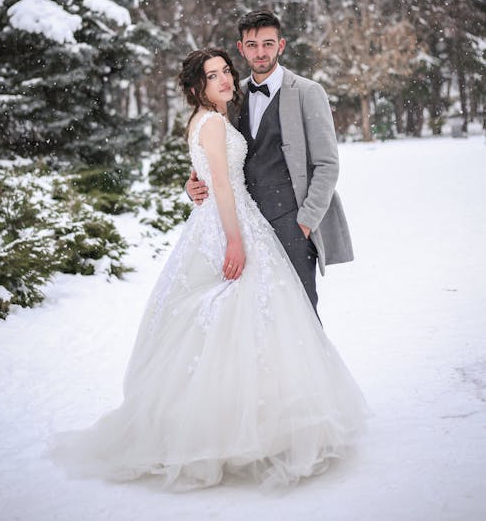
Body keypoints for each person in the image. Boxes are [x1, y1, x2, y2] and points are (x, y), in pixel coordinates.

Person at [48, 48, 367, 491]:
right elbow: (220, 181)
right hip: (230, 224)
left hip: (221, 220)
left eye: (225, 73)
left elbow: (209, 171)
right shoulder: (216, 122)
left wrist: (193, 184)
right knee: (244, 319)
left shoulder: (205, 119)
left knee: (230, 323)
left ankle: (233, 420)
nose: (224, 81)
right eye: (212, 75)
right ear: (197, 86)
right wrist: (235, 240)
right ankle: (247, 426)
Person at [187, 10, 353, 315]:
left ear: (281, 45)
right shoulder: (234, 98)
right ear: (241, 48)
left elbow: (327, 164)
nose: (260, 52)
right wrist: (193, 184)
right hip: (248, 224)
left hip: (292, 220)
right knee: (256, 317)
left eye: (267, 43)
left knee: (299, 313)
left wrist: (305, 221)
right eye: (252, 45)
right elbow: (218, 156)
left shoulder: (307, 92)